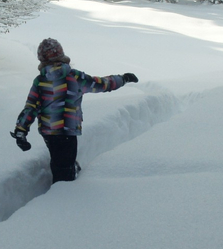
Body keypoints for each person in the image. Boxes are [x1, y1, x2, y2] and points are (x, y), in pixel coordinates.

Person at [11, 38, 138, 182]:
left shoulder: (40, 81)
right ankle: (63, 193)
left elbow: (31, 107)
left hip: (49, 132)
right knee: (63, 170)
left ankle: (67, 174)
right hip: (66, 131)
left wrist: (21, 130)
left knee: (60, 159)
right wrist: (123, 78)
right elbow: (102, 84)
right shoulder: (74, 77)